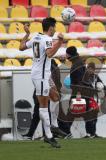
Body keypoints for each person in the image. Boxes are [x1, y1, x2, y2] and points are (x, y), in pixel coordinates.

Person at [19, 17, 63, 148]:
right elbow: (49, 54)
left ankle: (53, 126)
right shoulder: (48, 39)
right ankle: (49, 136)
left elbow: (21, 47)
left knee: (56, 98)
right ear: (50, 28)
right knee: (43, 106)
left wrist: (27, 34)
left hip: (43, 74)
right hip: (41, 75)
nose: (55, 29)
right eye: (54, 27)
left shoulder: (36, 37)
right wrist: (60, 42)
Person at [22, 60, 67, 140]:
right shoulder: (53, 69)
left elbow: (45, 83)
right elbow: (55, 83)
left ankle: (45, 134)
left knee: (41, 114)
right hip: (46, 93)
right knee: (43, 114)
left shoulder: (45, 69)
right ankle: (48, 133)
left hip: (43, 93)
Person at [81, 62, 106, 138]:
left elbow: (102, 85)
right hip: (87, 99)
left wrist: (105, 94)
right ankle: (88, 133)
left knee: (94, 118)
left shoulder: (96, 77)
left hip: (95, 100)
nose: (91, 70)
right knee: (88, 117)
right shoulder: (84, 77)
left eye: (92, 69)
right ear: (87, 69)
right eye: (89, 68)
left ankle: (93, 133)